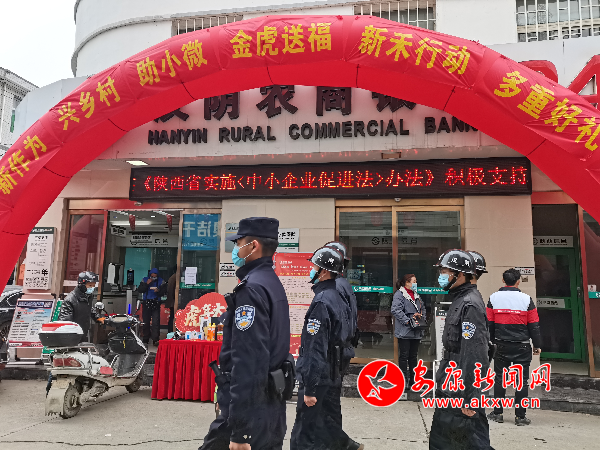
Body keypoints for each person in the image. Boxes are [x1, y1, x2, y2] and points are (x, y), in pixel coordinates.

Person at [199, 217, 290, 450]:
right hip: (270, 404)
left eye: (239, 243)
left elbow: (249, 361)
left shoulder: (251, 289)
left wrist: (241, 431)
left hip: (251, 410)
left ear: (253, 246)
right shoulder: (271, 282)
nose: (236, 249)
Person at [429, 250, 494, 450]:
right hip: (451, 388)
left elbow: (475, 353)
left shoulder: (470, 304)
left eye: (446, 272)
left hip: (460, 392)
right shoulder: (460, 299)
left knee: (468, 443)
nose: (441, 276)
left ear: (461, 275)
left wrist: (471, 397)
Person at [290, 246, 351, 450]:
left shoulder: (322, 302)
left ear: (323, 271)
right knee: (326, 429)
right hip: (332, 373)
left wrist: (310, 387)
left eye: (315, 267)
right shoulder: (337, 297)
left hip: (319, 376)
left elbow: (315, 348)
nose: (312, 270)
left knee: (304, 434)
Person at [486, 268, 542, 426]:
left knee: (500, 379)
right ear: (518, 281)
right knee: (522, 381)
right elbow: (534, 325)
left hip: (501, 344)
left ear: (503, 280)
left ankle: (498, 413)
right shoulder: (526, 299)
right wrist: (537, 344)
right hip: (522, 345)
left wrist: (490, 342)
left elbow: (489, 324)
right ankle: (520, 417)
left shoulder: (494, 298)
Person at [323, 241, 363, 450]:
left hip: (333, 353)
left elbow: (337, 326)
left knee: (326, 403)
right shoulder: (344, 284)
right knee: (330, 402)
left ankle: (342, 443)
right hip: (342, 351)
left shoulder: (335, 287)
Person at [391, 273, 426, 390]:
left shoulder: (416, 295)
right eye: (413, 281)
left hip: (416, 330)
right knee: (404, 356)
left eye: (416, 281)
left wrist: (422, 317)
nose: (415, 284)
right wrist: (408, 320)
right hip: (405, 331)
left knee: (413, 356)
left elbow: (423, 308)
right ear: (407, 282)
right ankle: (403, 380)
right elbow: (395, 309)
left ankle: (413, 380)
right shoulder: (400, 294)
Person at [58, 271, 104, 342]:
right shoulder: (70, 300)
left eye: (94, 285)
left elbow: (88, 309)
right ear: (81, 285)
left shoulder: (88, 296)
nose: (92, 288)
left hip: (83, 333)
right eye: (90, 285)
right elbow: (65, 321)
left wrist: (100, 318)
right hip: (72, 336)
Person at [138, 268, 166, 346]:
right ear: (150, 275)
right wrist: (146, 284)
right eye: (152, 276)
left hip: (156, 302)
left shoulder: (161, 281)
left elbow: (164, 292)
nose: (153, 278)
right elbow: (140, 290)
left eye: (155, 276)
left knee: (156, 321)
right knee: (145, 321)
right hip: (146, 302)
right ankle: (145, 338)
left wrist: (158, 291)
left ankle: (155, 339)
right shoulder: (145, 280)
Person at [166, 266, 177, 333]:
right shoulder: (174, 278)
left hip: (172, 301)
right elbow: (171, 291)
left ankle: (171, 331)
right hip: (173, 302)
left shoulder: (173, 277)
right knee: (173, 317)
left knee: (173, 317)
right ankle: (170, 332)